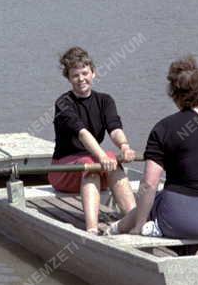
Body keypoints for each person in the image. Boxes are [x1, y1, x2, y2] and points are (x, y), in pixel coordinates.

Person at [107, 57, 198, 240]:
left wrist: (138, 226)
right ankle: (121, 227)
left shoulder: (164, 128)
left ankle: (121, 228)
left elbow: (149, 184)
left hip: (180, 221)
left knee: (157, 197)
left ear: (176, 94)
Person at [47, 47, 137, 234]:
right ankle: (92, 230)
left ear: (93, 73)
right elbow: (82, 133)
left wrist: (125, 146)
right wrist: (102, 156)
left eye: (85, 73)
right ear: (69, 78)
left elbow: (115, 128)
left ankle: (135, 220)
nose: (81, 79)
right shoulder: (63, 103)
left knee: (112, 160)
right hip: (64, 171)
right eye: (75, 75)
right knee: (96, 163)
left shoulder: (105, 100)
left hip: (91, 162)